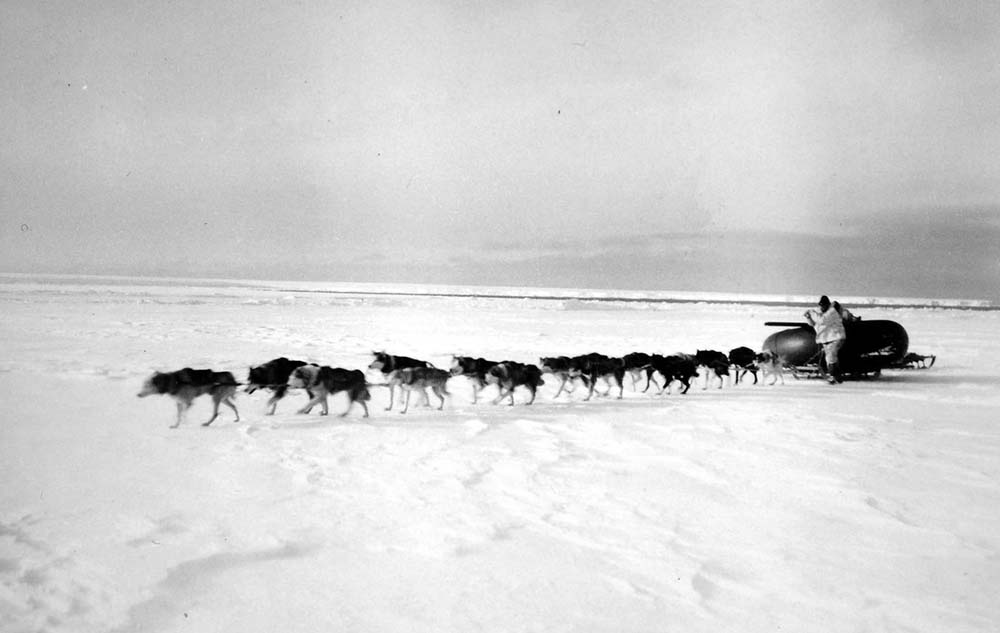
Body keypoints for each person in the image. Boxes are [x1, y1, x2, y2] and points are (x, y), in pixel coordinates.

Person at [804, 295, 846, 383]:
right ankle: (837, 376)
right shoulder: (818, 313)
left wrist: (812, 313)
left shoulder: (832, 312)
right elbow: (813, 324)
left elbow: (822, 321)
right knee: (829, 359)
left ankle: (833, 375)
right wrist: (808, 318)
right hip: (826, 339)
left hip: (836, 337)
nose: (822, 307)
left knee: (831, 356)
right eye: (821, 305)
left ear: (828, 305)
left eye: (824, 305)